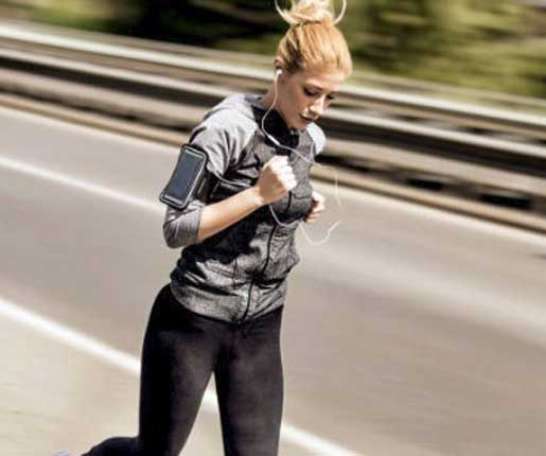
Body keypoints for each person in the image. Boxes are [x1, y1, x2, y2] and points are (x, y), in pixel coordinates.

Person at [82, 1, 352, 454]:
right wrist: (256, 196)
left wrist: (298, 203)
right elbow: (176, 226)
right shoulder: (222, 130)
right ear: (280, 72)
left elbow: (277, 197)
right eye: (311, 92)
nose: (319, 108)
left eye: (331, 97)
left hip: (260, 324)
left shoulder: (311, 139)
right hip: (194, 317)